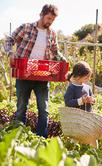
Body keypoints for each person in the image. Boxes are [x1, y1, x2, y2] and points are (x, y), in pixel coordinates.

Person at [4, 4, 65, 138]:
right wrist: (10, 53)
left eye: (52, 20)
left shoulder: (52, 33)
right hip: (24, 74)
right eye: (48, 18)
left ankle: (41, 139)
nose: (50, 22)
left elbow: (55, 52)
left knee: (44, 110)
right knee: (21, 108)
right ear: (42, 14)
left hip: (42, 76)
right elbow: (9, 40)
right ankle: (18, 137)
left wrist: (64, 61)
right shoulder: (26, 28)